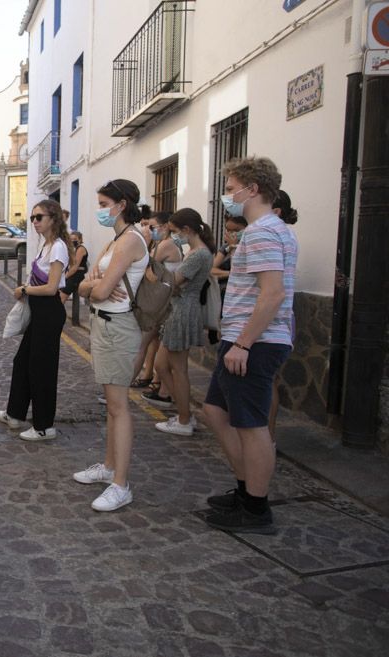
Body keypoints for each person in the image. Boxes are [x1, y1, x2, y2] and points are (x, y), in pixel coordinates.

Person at [203, 157, 297, 534]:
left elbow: (271, 294)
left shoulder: (261, 232)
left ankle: (256, 507)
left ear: (252, 189)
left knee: (251, 424)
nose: (228, 196)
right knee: (214, 410)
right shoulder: (270, 229)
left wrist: (243, 343)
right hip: (245, 339)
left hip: (252, 342)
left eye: (230, 189)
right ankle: (245, 489)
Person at [75, 179, 149, 512]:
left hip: (118, 327)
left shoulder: (131, 239)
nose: (100, 210)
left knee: (119, 406)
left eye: (104, 203)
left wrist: (93, 287)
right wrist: (93, 286)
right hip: (103, 324)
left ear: (121, 205)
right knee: (111, 404)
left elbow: (99, 290)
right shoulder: (115, 240)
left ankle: (121, 484)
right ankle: (108, 467)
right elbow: (86, 285)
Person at [0, 199, 70, 441]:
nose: (35, 222)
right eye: (33, 218)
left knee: (42, 370)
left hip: (49, 311)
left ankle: (44, 426)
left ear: (53, 219)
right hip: (38, 311)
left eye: (39, 217)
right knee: (22, 362)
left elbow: (52, 288)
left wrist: (24, 290)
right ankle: (15, 414)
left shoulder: (58, 247)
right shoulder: (45, 245)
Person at [151, 208, 216, 437]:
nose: (173, 236)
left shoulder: (199, 254)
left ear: (187, 230)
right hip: (178, 309)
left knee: (179, 369)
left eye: (175, 232)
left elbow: (174, 281)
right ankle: (183, 411)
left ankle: (184, 418)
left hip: (182, 310)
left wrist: (157, 272)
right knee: (161, 366)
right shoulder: (195, 252)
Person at [134, 212, 183, 392]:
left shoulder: (166, 245)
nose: (149, 230)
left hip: (162, 302)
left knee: (141, 344)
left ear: (164, 227)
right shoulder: (164, 244)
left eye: (152, 227)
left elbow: (145, 264)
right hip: (162, 300)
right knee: (153, 344)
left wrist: (145, 242)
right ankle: (153, 379)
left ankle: (129, 382)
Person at [267, 190, 298, 439]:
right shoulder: (286, 236)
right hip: (278, 320)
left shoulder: (272, 235)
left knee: (267, 384)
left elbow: (272, 292)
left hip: (269, 323)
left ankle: (265, 438)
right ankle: (266, 437)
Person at [211, 214, 248, 303]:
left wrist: (234, 247)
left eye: (236, 230)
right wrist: (230, 273)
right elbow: (211, 270)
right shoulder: (226, 248)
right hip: (225, 292)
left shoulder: (249, 246)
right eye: (228, 230)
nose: (232, 233)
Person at [59, 231, 88, 304]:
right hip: (73, 275)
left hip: (76, 276)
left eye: (75, 239)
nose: (72, 241)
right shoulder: (75, 249)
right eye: (71, 239)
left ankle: (57, 314)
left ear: (80, 239)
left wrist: (65, 277)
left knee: (62, 297)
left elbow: (75, 267)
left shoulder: (81, 249)